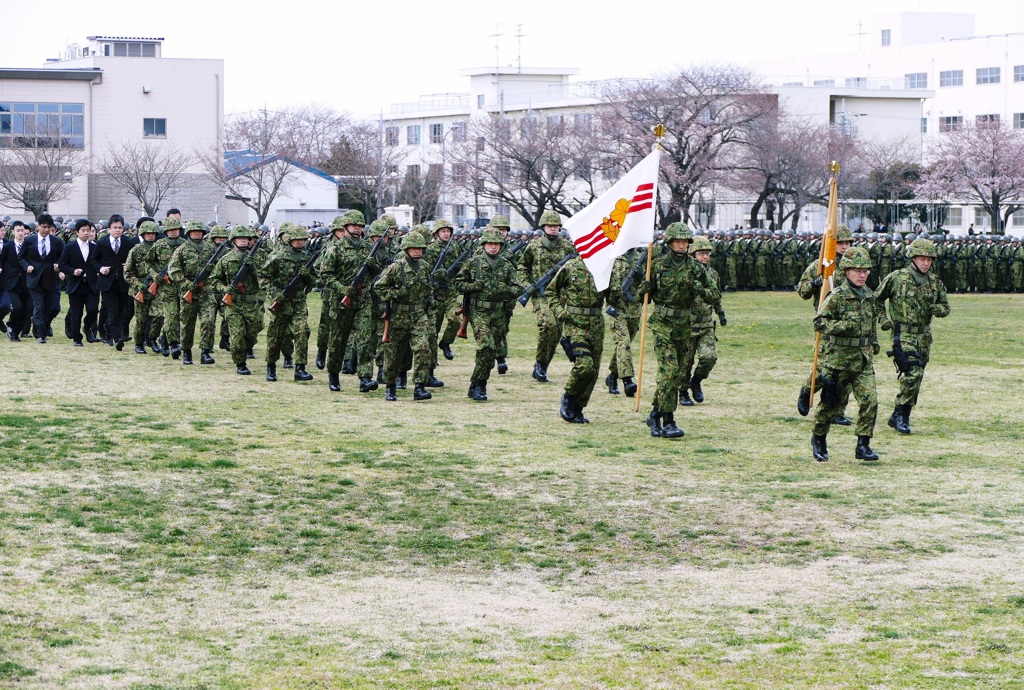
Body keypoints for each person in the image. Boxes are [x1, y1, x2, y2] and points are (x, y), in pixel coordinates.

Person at [634, 222, 721, 439]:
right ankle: (669, 420)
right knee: (669, 372)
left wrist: (698, 287)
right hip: (663, 324)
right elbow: (641, 297)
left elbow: (714, 294)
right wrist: (643, 290)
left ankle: (655, 414)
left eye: (685, 242)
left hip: (684, 325)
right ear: (670, 243)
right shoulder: (657, 265)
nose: (682, 245)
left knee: (677, 374)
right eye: (678, 241)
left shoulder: (695, 267)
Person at [809, 246, 880, 462]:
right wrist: (843, 326)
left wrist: (873, 343)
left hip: (863, 361)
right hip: (838, 361)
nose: (862, 275)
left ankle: (863, 444)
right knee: (830, 405)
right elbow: (819, 322)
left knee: (870, 401)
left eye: (866, 271)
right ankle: (819, 437)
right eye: (857, 270)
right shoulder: (838, 296)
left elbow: (871, 322)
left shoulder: (869, 295)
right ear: (846, 271)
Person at [874, 238, 951, 435]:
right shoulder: (897, 277)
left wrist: (938, 309)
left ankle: (897, 414)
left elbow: (945, 307)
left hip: (924, 336)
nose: (926, 263)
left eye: (929, 259)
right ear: (913, 258)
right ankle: (902, 415)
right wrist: (883, 318)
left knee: (917, 377)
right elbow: (876, 299)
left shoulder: (935, 282)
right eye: (922, 258)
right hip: (903, 334)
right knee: (913, 372)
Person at [451, 228, 522, 401]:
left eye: (496, 244)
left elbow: (518, 288)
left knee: (491, 352)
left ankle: (477, 383)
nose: (493, 247)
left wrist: (506, 290)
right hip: (478, 311)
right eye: (490, 243)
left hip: (498, 313)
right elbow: (458, 283)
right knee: (486, 346)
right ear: (484, 245)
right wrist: (473, 286)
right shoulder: (473, 263)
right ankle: (480, 385)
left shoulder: (506, 265)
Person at [795, 225, 854, 425]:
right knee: (824, 367)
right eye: (840, 243)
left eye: (847, 243)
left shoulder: (854, 266)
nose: (844, 247)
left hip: (849, 324)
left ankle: (838, 410)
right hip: (826, 324)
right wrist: (815, 283)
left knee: (846, 368)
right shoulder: (820, 265)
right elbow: (802, 291)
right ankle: (807, 389)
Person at [372, 232, 434, 401]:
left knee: (423, 348)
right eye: (413, 248)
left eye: (420, 248)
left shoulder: (425, 266)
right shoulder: (396, 267)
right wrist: (396, 293)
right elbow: (379, 287)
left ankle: (420, 387)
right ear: (406, 249)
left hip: (418, 315)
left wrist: (430, 305)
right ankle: (390, 386)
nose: (417, 252)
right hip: (398, 315)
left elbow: (429, 289)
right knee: (393, 353)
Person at [549, 252, 607, 423]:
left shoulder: (603, 269)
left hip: (596, 324)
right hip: (575, 324)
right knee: (585, 366)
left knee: (593, 371)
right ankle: (569, 396)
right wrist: (559, 311)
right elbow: (551, 290)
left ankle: (578, 407)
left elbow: (614, 296)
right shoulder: (570, 267)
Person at [517, 210, 574, 383]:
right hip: (540, 296)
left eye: (556, 226)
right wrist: (527, 285)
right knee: (547, 325)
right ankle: (541, 364)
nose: (553, 229)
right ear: (543, 227)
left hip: (560, 296)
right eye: (550, 226)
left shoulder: (567, 247)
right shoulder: (534, 246)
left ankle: (542, 365)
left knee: (556, 331)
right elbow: (522, 268)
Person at [260, 224, 314, 383]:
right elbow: (263, 277)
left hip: (298, 301)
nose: (299, 243)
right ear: (289, 240)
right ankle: (271, 365)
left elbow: (314, 282)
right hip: (281, 301)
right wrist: (274, 294)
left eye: (302, 240)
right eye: (296, 240)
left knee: (302, 330)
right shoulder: (277, 256)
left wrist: (308, 277)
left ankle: (300, 368)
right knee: (276, 335)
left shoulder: (307, 258)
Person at [680, 235, 726, 405]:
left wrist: (721, 313)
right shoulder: (685, 273)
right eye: (701, 253)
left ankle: (696, 380)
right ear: (692, 255)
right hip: (688, 324)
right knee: (685, 362)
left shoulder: (713, 274)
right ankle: (682, 391)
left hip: (706, 324)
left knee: (709, 357)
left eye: (707, 253)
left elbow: (717, 296)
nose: (705, 257)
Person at [210, 226, 262, 375]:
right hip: (234, 304)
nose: (244, 241)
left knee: (251, 334)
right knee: (237, 334)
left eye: (246, 238)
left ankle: (245, 350)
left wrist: (253, 268)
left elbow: (264, 279)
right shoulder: (226, 260)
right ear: (233, 240)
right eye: (241, 238)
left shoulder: (257, 258)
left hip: (251, 303)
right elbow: (214, 280)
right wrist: (225, 289)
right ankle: (240, 363)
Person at [91, 214, 136, 350]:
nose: (117, 230)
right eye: (115, 228)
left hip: (123, 281)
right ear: (109, 229)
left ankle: (109, 329)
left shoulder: (128, 243)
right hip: (107, 282)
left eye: (120, 228)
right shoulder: (102, 242)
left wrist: (128, 266)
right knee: (112, 309)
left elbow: (134, 260)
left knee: (122, 309)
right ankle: (117, 338)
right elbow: (94, 260)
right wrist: (100, 268)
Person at [19, 213, 65, 343]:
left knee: (50, 308)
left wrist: (59, 266)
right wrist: (27, 266)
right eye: (43, 227)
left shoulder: (57, 241)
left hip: (51, 279)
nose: (46, 230)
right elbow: (21, 257)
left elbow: (62, 257)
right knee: (39, 306)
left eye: (48, 227)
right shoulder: (29, 241)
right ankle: (41, 334)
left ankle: (39, 326)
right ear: (38, 226)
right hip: (34, 279)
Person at [604, 248, 643, 397]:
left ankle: (612, 377)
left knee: (623, 347)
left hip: (634, 309)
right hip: (617, 309)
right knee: (623, 343)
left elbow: (649, 281)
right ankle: (628, 380)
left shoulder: (642, 258)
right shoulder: (612, 256)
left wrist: (641, 277)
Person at [147, 216, 185, 358]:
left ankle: (163, 336)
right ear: (166, 231)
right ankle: (174, 344)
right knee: (171, 315)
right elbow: (148, 263)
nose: (174, 232)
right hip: (166, 288)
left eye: (176, 229)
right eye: (171, 230)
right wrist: (155, 275)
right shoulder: (159, 245)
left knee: (178, 316)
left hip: (181, 286)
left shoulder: (184, 245)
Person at [58, 219, 100, 346]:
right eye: (83, 230)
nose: (87, 233)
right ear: (77, 232)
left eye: (89, 230)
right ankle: (77, 338)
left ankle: (87, 327)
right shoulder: (70, 247)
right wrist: (72, 271)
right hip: (76, 284)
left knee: (93, 310)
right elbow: (62, 265)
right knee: (76, 313)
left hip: (92, 284)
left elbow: (98, 263)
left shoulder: (95, 247)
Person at [123, 220, 162, 354]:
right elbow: (127, 273)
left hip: (156, 289)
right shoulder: (135, 250)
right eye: (148, 233)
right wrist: (139, 285)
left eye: (153, 233)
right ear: (143, 234)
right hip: (140, 289)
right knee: (141, 318)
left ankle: (152, 338)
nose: (151, 236)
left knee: (159, 315)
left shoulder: (159, 249)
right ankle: (139, 343)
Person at [0, 221, 30, 341]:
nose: (20, 233)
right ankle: (11, 325)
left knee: (25, 309)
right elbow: (2, 260)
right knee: (17, 307)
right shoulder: (8, 246)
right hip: (11, 282)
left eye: (22, 230)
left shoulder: (29, 246)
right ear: (12, 232)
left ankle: (15, 333)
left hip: (26, 281)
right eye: (18, 230)